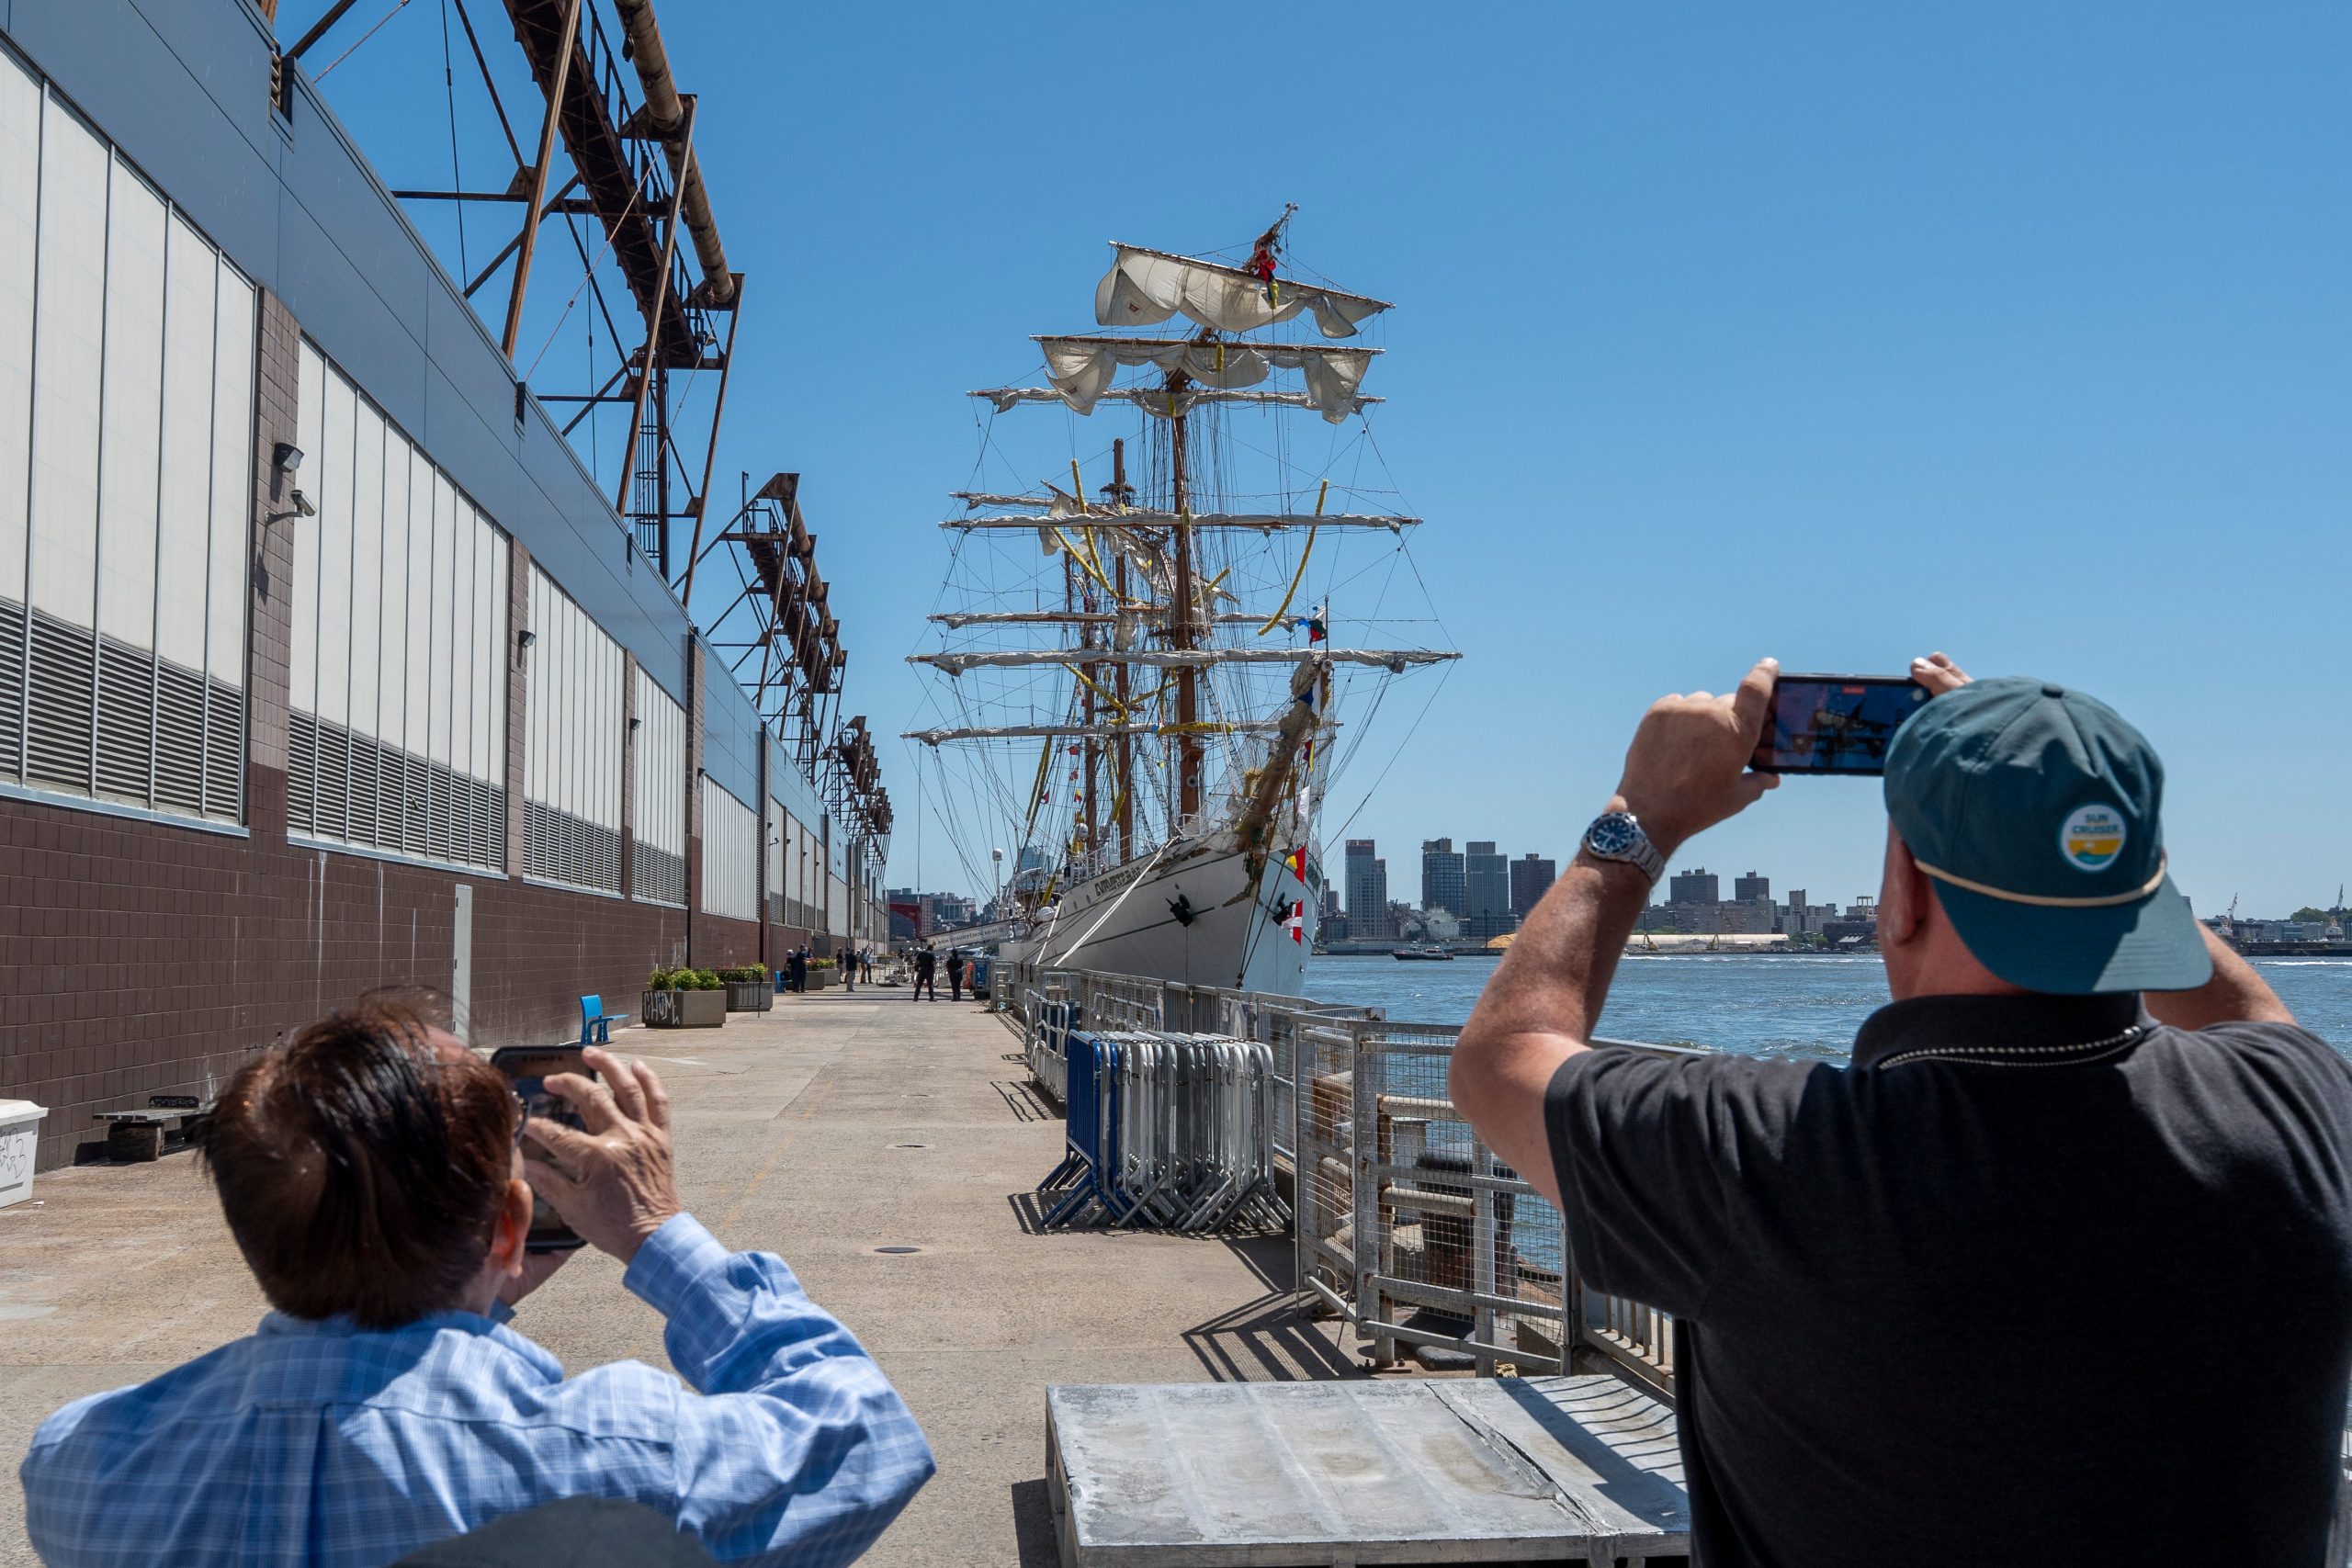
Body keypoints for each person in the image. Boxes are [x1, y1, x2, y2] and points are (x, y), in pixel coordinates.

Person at [1450, 653, 2352, 1567]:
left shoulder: (1771, 1157)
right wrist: (2061, 815)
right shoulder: (2298, 1109)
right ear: (2140, 888)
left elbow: (1497, 1061)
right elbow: (2246, 1012)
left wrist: (1638, 817)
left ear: (1902, 892)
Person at [20, 993, 933, 1567]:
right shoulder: (618, 1455)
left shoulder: (83, 1466)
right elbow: (869, 1436)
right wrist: (658, 1232)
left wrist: (472, 1277)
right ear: (509, 1225)